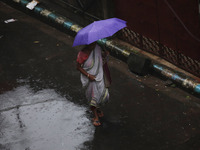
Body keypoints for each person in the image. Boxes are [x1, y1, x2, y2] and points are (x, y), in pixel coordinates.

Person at [76, 42, 111, 127]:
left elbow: (101, 60)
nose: (93, 44)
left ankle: (98, 109)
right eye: (92, 44)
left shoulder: (98, 48)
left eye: (94, 43)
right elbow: (78, 67)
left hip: (99, 77)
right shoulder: (82, 54)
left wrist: (105, 55)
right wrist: (88, 75)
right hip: (90, 80)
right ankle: (96, 117)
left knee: (104, 96)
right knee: (93, 98)